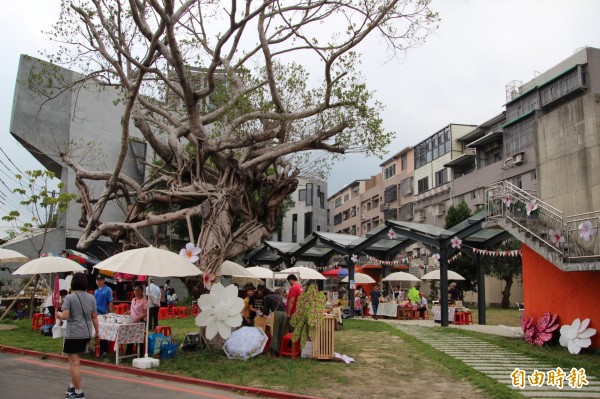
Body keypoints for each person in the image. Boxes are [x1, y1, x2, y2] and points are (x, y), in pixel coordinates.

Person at [56, 272, 99, 399]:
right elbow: (95, 317)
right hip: (86, 333)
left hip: (73, 334)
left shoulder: (69, 298)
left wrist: (58, 314)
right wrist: (97, 333)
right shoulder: (91, 298)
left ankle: (79, 392)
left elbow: (65, 316)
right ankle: (72, 386)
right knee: (75, 362)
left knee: (74, 363)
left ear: (73, 283)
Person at [260, 287, 287, 357]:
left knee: (274, 333)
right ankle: (279, 351)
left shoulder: (266, 298)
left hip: (277, 314)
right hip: (285, 314)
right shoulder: (277, 296)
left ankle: (272, 352)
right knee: (281, 333)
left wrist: (262, 314)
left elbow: (265, 311)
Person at [93, 274, 113, 357]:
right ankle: (97, 349)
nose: (99, 281)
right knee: (97, 332)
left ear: (104, 280)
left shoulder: (108, 290)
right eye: (97, 280)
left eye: (100, 279)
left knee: (103, 332)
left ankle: (105, 350)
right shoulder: (96, 291)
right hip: (95, 314)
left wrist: (113, 314)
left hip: (104, 314)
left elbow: (110, 302)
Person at [126, 283, 147, 355]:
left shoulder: (144, 301)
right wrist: (128, 312)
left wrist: (139, 318)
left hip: (140, 322)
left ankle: (140, 354)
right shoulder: (133, 300)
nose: (136, 291)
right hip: (132, 321)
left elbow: (146, 313)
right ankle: (129, 353)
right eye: (135, 290)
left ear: (141, 291)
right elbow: (132, 310)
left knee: (139, 338)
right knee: (130, 337)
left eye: (138, 290)